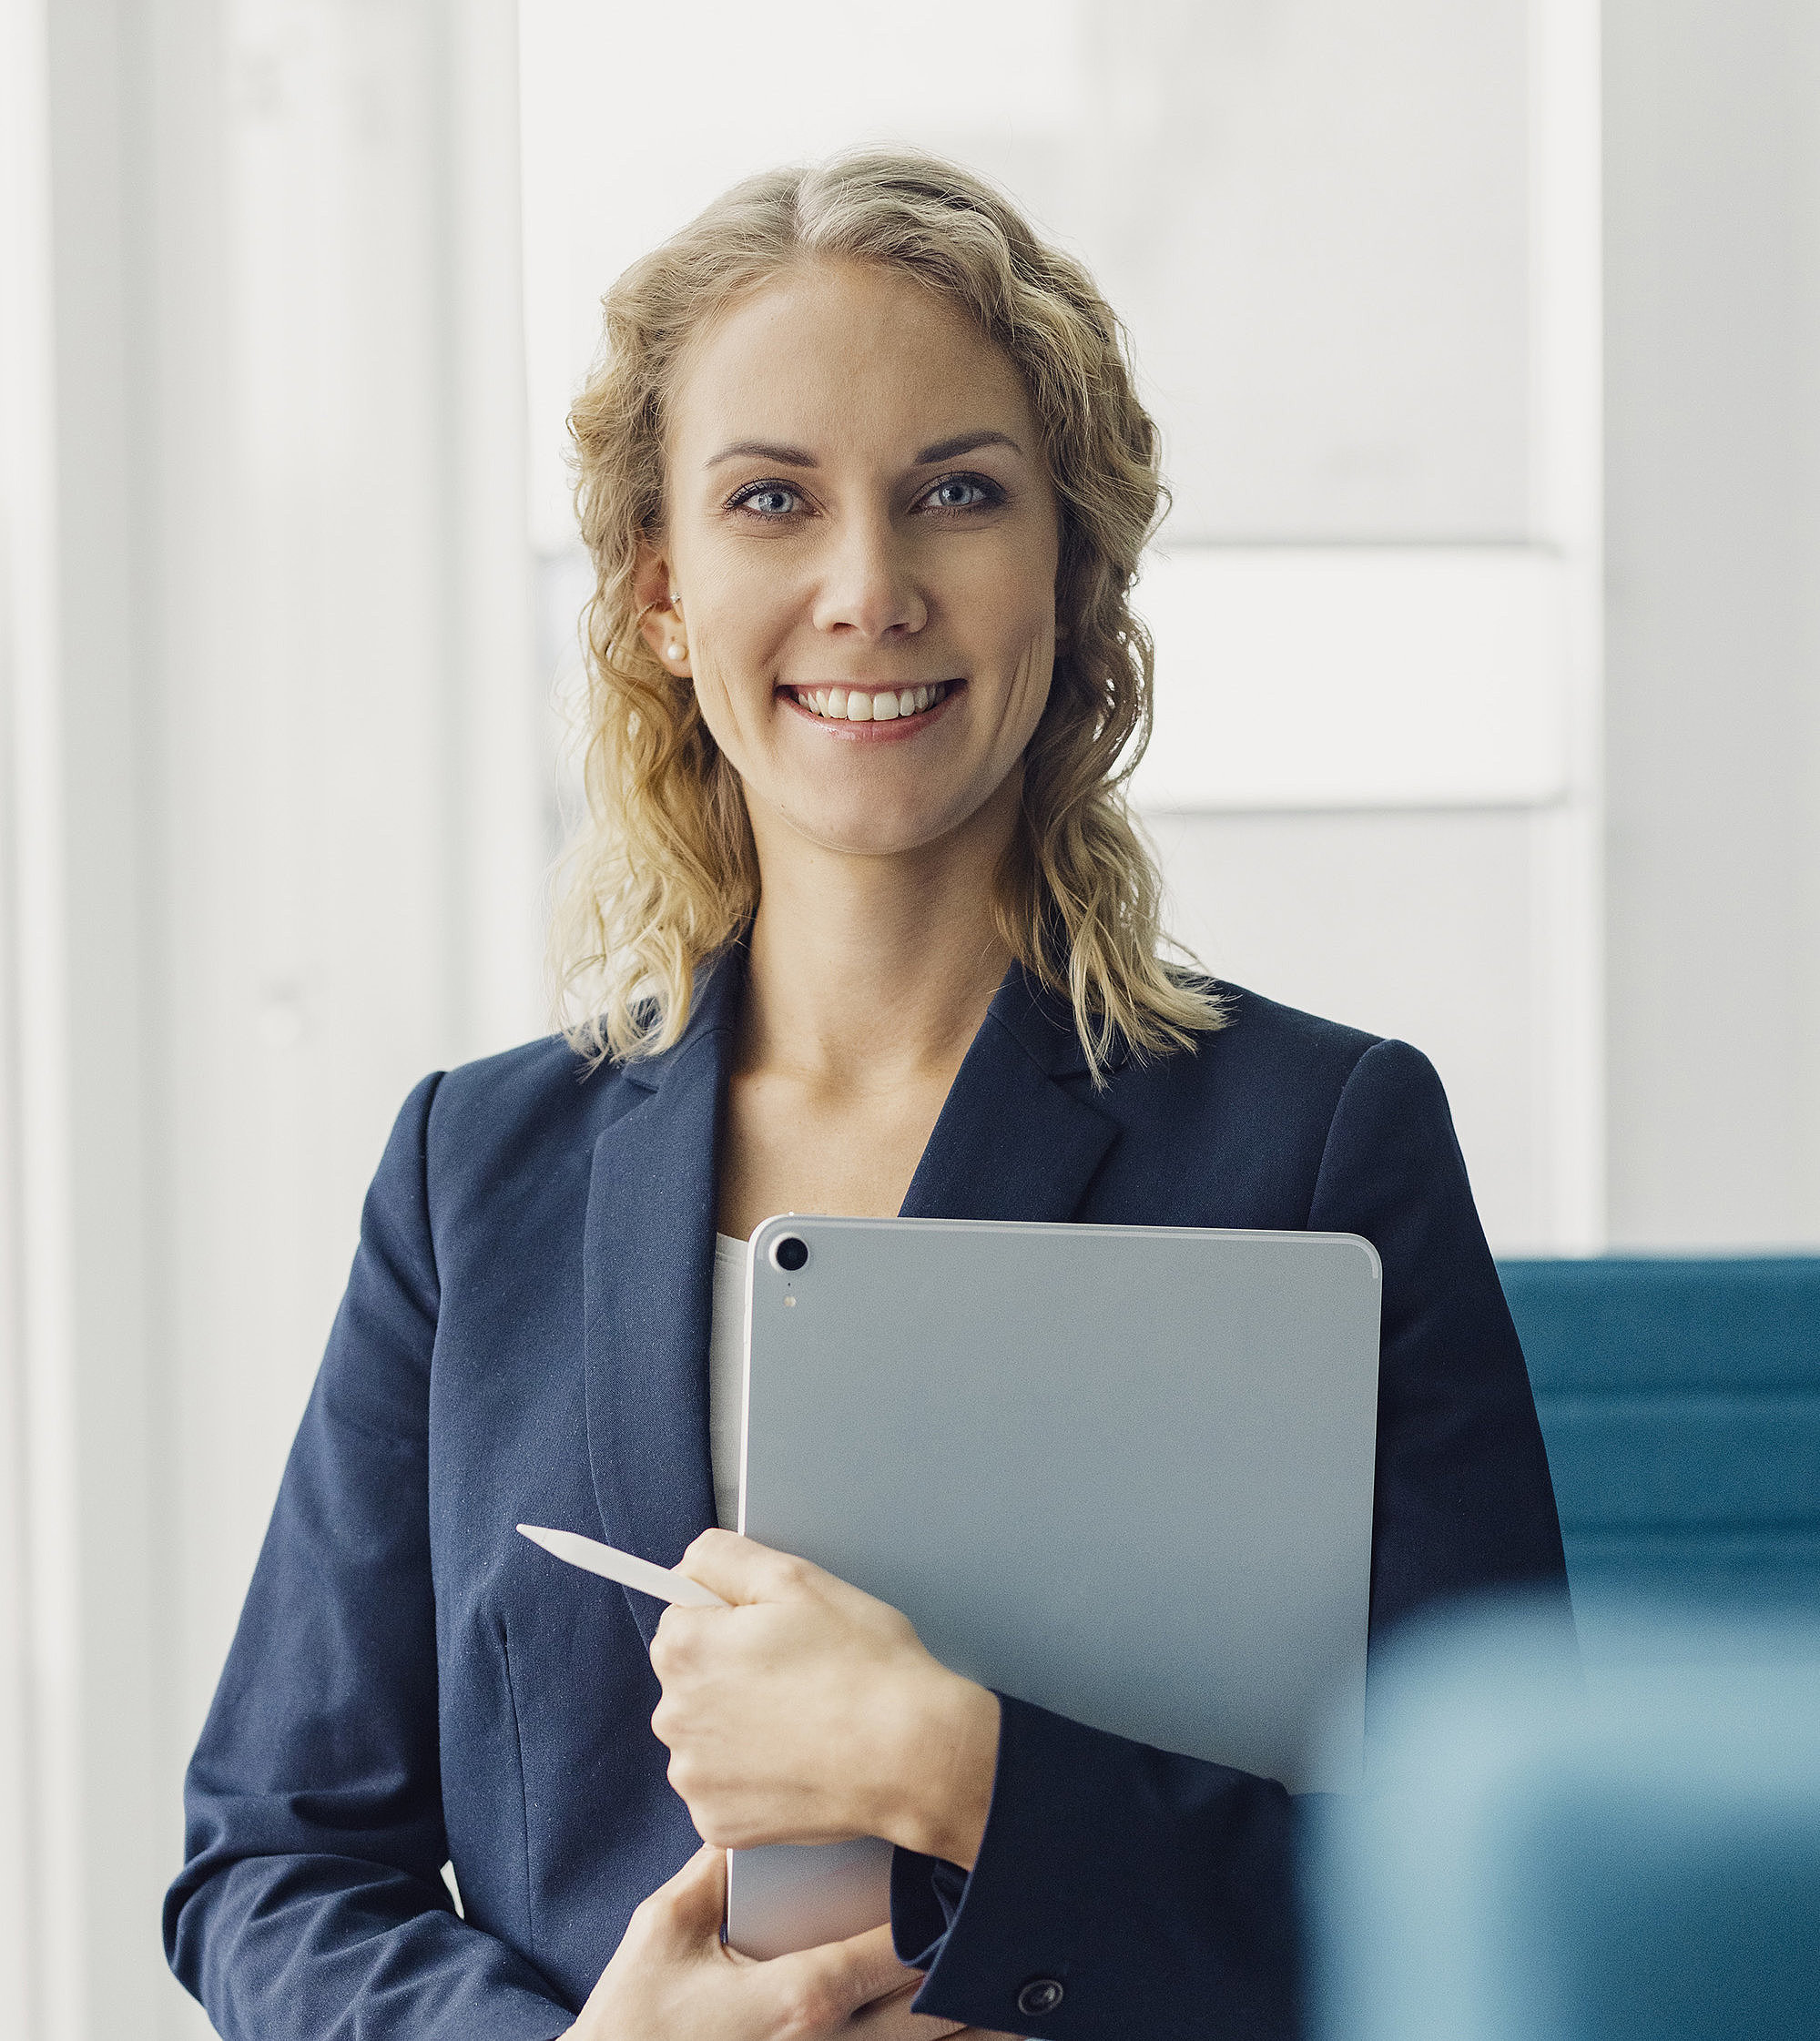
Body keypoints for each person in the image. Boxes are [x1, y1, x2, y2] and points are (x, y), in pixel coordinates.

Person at [165, 150, 1569, 2041]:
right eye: (771, 501)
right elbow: (270, 1858)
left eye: (957, 496)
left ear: (1066, 574)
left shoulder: (1319, 1145)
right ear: (664, 595)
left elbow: (1509, 1869)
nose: (866, 587)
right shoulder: (467, 1174)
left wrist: (967, 1763)